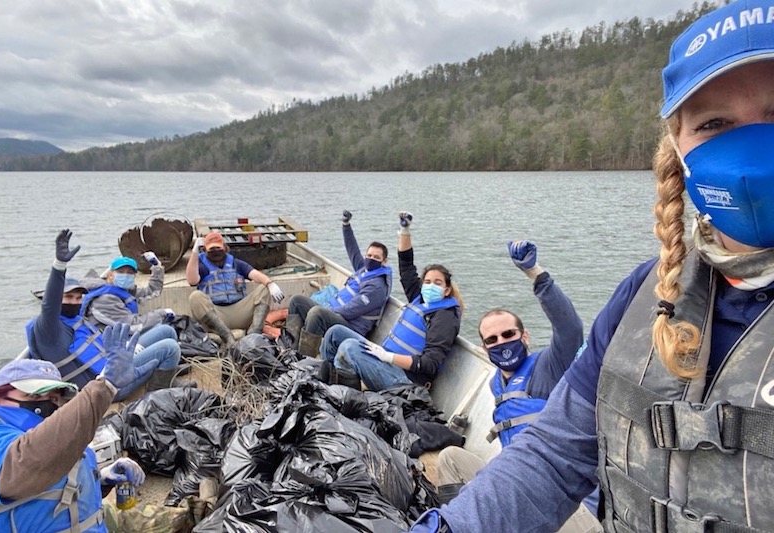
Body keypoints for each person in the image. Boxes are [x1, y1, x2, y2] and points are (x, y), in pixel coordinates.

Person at [409, 2, 774, 531]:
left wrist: (538, 278)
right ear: (678, 146)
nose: (750, 148)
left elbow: (566, 330)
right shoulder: (643, 295)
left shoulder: (545, 362)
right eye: (714, 123)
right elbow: (555, 456)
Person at [434, 240, 599, 532]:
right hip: (517, 484)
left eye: (508, 334)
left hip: (565, 495)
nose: (501, 342)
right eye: (492, 340)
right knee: (449, 458)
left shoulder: (550, 366)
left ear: (525, 337)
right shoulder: (496, 385)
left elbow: (570, 327)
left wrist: (535, 273)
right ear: (484, 349)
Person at [0, 323, 147, 532]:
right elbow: (21, 466)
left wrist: (99, 479)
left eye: (54, 398)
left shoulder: (40, 435)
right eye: (34, 395)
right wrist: (106, 386)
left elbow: (42, 492)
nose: (45, 404)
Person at [26, 230, 189, 400]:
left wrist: (157, 267)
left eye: (77, 297)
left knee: (166, 331)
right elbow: (49, 305)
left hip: (114, 363)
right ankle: (157, 397)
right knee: (170, 347)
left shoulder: (76, 320)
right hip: (103, 386)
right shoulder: (49, 330)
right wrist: (59, 265)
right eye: (67, 297)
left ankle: (167, 379)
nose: (74, 302)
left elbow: (150, 291)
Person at [320, 212, 462, 390]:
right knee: (335, 333)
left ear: (447, 290)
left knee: (350, 347)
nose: (431, 286)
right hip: (386, 358)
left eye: (437, 283)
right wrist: (405, 230)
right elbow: (406, 265)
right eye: (427, 282)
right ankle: (330, 379)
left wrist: (389, 358)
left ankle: (339, 385)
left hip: (405, 380)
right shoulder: (420, 298)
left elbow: (430, 364)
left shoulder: (445, 317)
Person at [287, 210, 392, 356]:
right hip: (335, 314)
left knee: (317, 313)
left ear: (384, 262)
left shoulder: (377, 286)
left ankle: (304, 360)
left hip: (350, 327)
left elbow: (351, 310)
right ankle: (289, 349)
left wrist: (328, 310)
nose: (371, 259)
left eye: (376, 257)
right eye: (368, 255)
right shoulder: (364, 269)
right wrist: (346, 225)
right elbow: (352, 249)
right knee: (296, 301)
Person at [186, 231, 286, 345]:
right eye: (211, 249)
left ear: (224, 247)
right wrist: (194, 252)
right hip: (216, 316)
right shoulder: (202, 266)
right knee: (195, 297)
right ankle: (227, 336)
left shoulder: (236, 264)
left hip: (239, 312)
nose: (215, 252)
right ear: (205, 250)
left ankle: (254, 333)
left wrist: (270, 284)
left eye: (218, 248)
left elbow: (255, 274)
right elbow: (192, 280)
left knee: (264, 288)